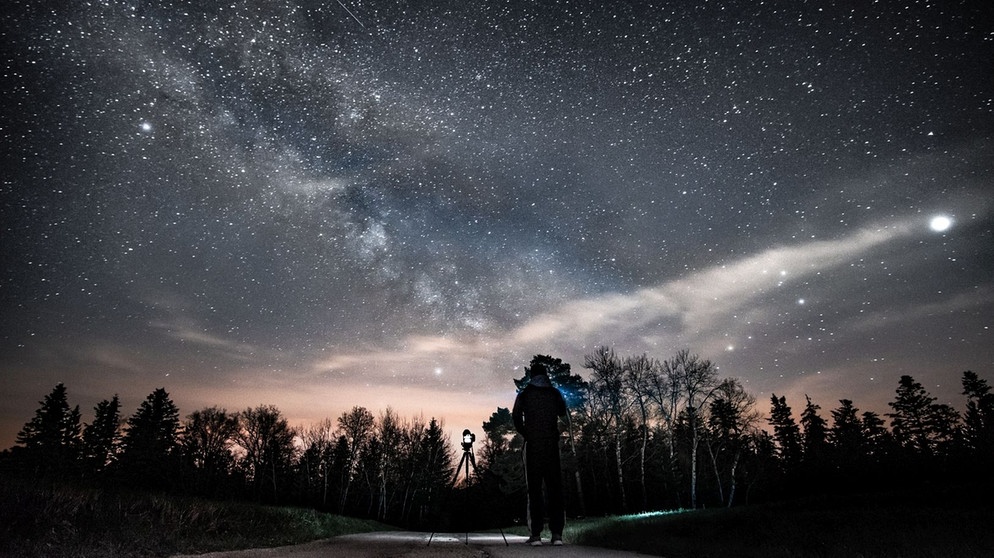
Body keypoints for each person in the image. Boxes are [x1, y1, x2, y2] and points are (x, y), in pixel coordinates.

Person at [512, 363, 568, 546]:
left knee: (534, 489)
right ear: (545, 375)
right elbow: (563, 414)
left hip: (534, 446)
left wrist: (526, 433)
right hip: (551, 445)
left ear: (532, 375)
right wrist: (557, 431)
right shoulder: (555, 393)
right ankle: (557, 534)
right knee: (555, 488)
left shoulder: (525, 393)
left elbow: (516, 416)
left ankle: (536, 535)